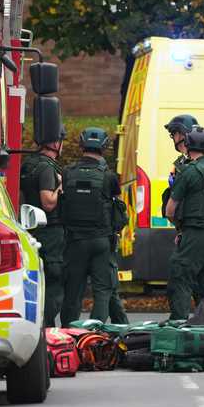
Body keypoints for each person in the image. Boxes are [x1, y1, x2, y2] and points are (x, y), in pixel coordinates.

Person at [164, 125, 204, 320]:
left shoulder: (190, 172)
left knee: (180, 279)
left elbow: (170, 210)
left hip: (195, 234)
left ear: (188, 143)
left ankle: (178, 326)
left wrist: (181, 228)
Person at [60, 127, 122, 326]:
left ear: (81, 145)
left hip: (75, 241)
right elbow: (119, 209)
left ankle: (70, 333)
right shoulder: (109, 176)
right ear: (104, 147)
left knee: (73, 291)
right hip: (101, 241)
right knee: (102, 291)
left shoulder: (68, 173)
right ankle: (95, 334)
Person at [20, 127, 66, 327]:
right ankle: (47, 329)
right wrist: (59, 187)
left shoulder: (27, 164)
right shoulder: (48, 168)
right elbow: (48, 202)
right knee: (53, 283)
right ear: (56, 143)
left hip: (29, 228)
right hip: (50, 232)